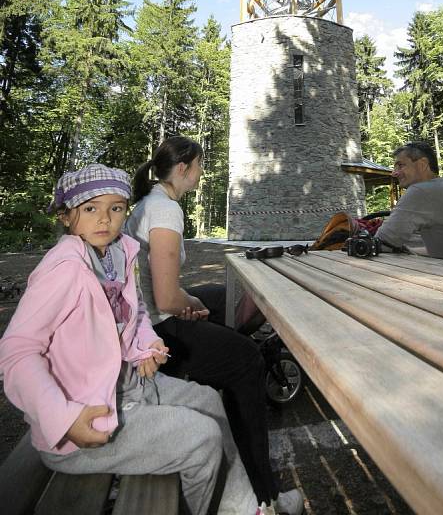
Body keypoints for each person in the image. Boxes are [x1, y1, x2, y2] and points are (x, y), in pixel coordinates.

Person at [0, 164, 259, 515]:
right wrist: (61, 417)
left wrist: (145, 345)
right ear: (65, 216)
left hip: (129, 387)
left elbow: (132, 314)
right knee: (202, 438)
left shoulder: (119, 253)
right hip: (83, 422)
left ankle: (244, 508)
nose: (104, 219)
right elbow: (17, 351)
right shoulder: (63, 270)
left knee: (211, 401)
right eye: (90, 208)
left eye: (116, 208)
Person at [125, 136, 303, 515]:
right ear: (183, 168)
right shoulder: (165, 210)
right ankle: (264, 496)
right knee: (247, 360)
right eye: (200, 166)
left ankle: (218, 365)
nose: (202, 174)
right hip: (156, 327)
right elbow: (169, 299)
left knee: (232, 296)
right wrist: (192, 305)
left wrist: (193, 302)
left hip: (152, 313)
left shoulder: (148, 203)